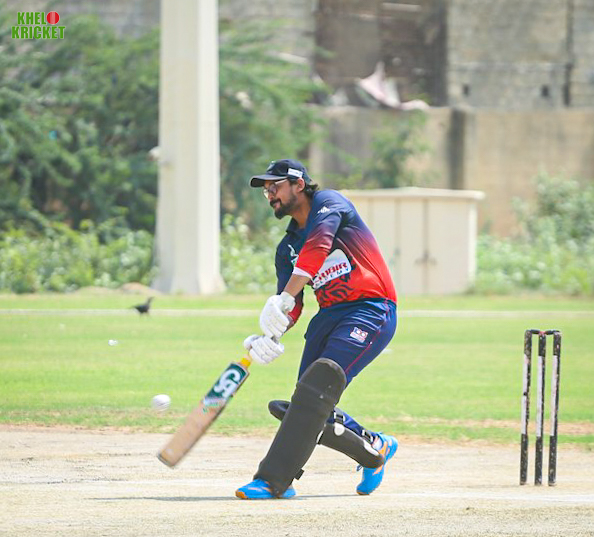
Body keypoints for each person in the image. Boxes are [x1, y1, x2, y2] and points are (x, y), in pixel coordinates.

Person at [236, 159, 398, 500]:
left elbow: (319, 245)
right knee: (309, 405)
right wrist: (270, 334)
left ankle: (273, 481)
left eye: (275, 186)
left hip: (370, 309)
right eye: (266, 190)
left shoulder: (330, 203)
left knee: (312, 397)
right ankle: (374, 447)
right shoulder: (286, 248)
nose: (270, 194)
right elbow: (292, 305)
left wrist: (283, 297)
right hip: (327, 317)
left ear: (299, 184)